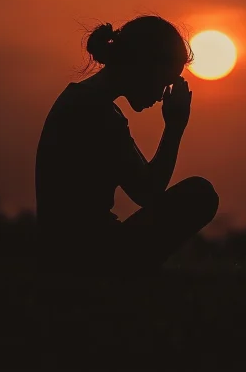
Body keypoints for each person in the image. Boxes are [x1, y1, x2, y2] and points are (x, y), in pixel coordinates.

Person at [35, 14, 219, 277]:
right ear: (144, 66)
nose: (159, 96)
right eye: (162, 83)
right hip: (83, 260)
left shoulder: (83, 101)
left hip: (61, 254)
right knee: (200, 195)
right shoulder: (96, 112)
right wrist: (175, 127)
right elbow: (148, 191)